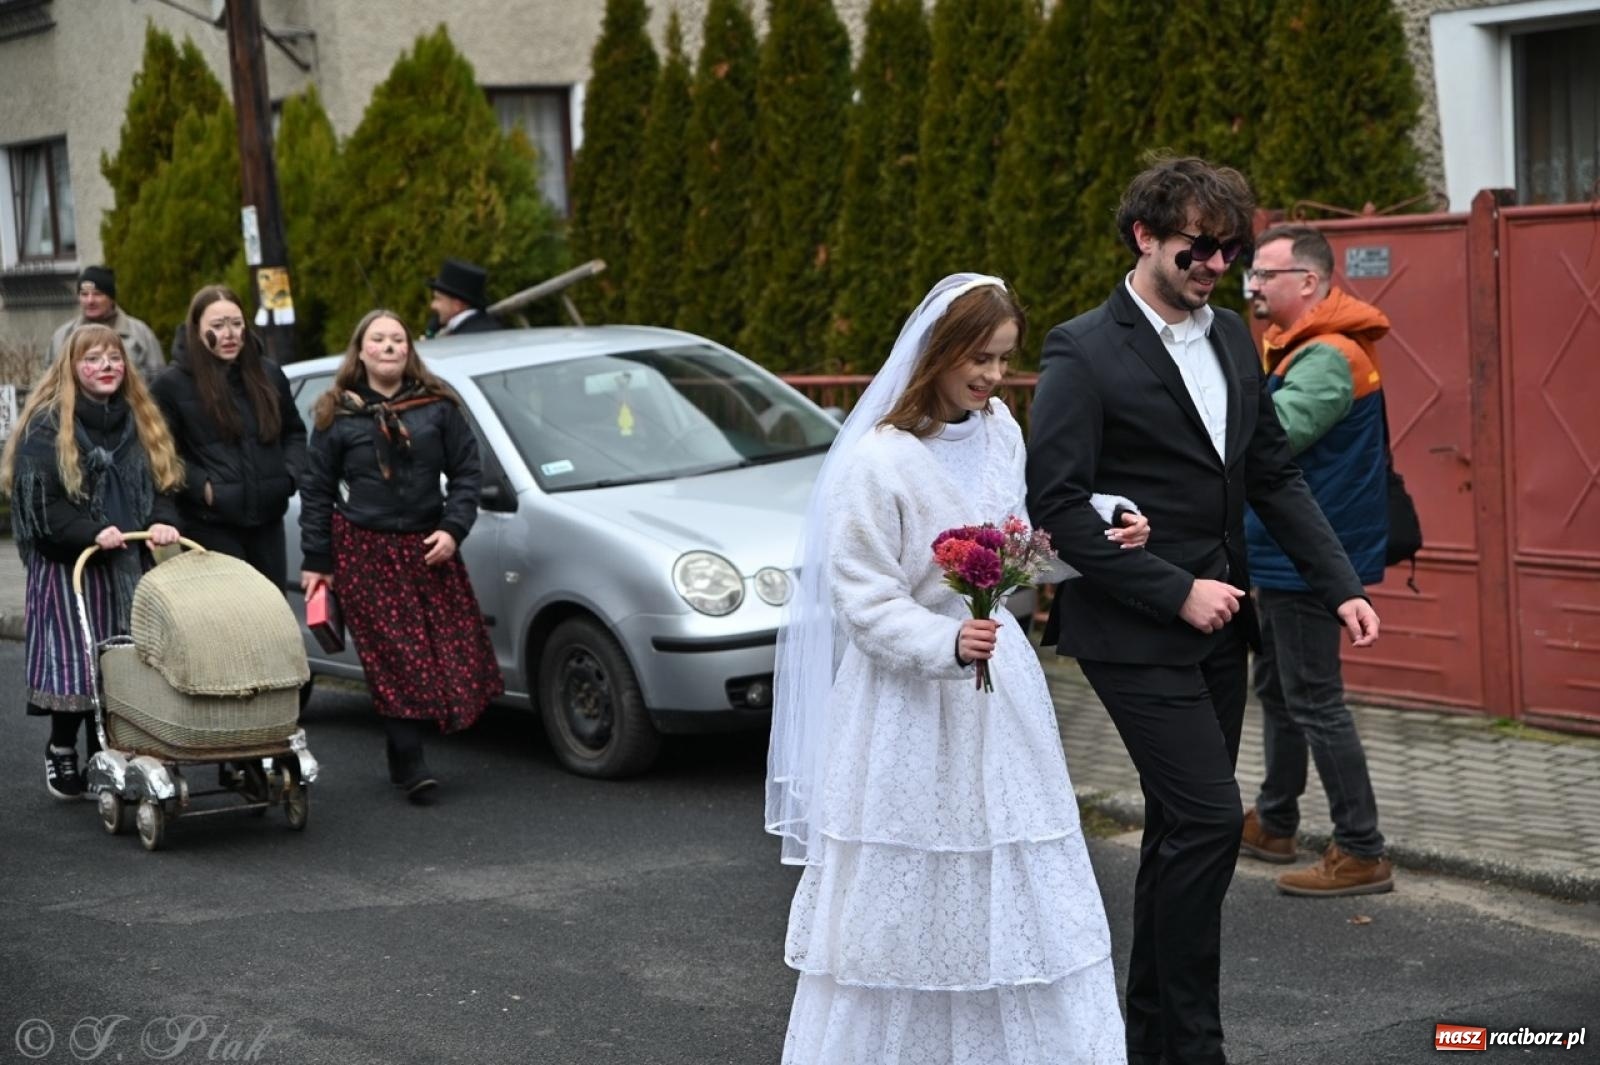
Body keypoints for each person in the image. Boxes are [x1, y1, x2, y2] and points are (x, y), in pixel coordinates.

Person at [1025, 156, 1381, 1065]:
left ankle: (1153, 1039)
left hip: (1223, 631)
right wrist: (1176, 588)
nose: (1219, 265)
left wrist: (1340, 584)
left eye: (1233, 250)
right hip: (1131, 628)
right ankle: (1195, 1045)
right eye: (1200, 248)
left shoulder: (1230, 340)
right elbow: (1056, 505)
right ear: (1145, 237)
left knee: (1185, 835)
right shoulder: (1082, 347)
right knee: (1212, 820)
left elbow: (1271, 472)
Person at [767, 273, 1148, 1065]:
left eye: (1004, 361)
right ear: (938, 352)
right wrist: (942, 645)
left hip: (999, 698)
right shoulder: (877, 462)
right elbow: (863, 598)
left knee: (1007, 878)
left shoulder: (1002, 430)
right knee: (912, 887)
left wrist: (1103, 523)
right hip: (906, 707)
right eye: (979, 358)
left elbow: (1023, 542)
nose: (992, 377)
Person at [1240, 225, 1394, 896]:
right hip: (1282, 554)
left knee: (1315, 700)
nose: (1252, 287)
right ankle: (1275, 820)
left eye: (1264, 276)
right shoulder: (1297, 348)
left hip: (1306, 559)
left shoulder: (1327, 356)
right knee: (1279, 692)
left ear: (1308, 281)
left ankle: (1361, 849)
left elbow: (1275, 437)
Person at [298, 309, 502, 803]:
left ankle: (399, 747)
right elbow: (318, 491)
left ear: (408, 351)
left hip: (429, 547)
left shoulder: (439, 407)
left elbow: (468, 474)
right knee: (393, 655)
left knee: (444, 650)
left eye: (398, 340)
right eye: (379, 340)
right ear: (361, 351)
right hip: (364, 549)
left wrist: (454, 530)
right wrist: (318, 561)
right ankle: (411, 761)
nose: (389, 347)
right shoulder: (335, 412)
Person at [0, 325, 183, 799]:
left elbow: (163, 484)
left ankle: (113, 748)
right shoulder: (46, 424)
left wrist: (162, 522)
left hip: (126, 565)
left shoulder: (138, 421)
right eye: (93, 358)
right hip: (70, 566)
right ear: (71, 368)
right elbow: (41, 505)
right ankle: (62, 748)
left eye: (114, 358)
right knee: (77, 662)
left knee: (123, 660)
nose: (106, 366)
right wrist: (90, 531)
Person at [151, 285, 306, 588]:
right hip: (210, 528)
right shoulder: (172, 386)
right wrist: (204, 488)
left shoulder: (268, 374)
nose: (229, 334)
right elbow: (164, 456)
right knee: (229, 625)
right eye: (218, 326)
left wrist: (287, 477)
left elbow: (294, 434)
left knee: (271, 620)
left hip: (268, 525)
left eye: (236, 324)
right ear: (197, 330)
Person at [45, 266, 164, 379]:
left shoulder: (140, 333)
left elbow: (158, 381)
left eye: (97, 294)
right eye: (84, 294)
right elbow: (50, 382)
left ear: (111, 298)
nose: (90, 300)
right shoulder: (63, 336)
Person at [426, 258, 502, 337]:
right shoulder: (487, 328)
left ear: (457, 305)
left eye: (438, 299)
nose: (432, 305)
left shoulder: (462, 340)